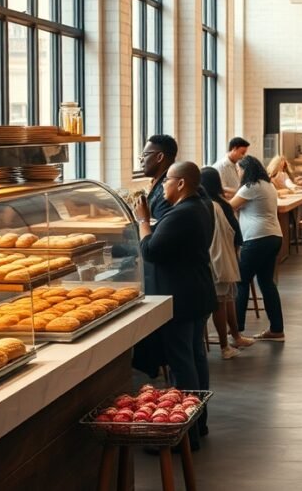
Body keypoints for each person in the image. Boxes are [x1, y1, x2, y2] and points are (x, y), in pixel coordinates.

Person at [132, 161, 216, 449]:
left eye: (167, 180)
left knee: (182, 363)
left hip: (180, 296)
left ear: (180, 183)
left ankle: (185, 434)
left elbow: (150, 251)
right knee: (195, 357)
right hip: (198, 291)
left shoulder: (181, 214)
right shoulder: (201, 206)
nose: (163, 185)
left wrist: (143, 220)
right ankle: (197, 422)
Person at [200, 168, 255, 359]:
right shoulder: (221, 202)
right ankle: (233, 338)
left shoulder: (210, 205)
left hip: (219, 258)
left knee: (222, 301)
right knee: (226, 299)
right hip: (228, 255)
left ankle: (226, 344)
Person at [231, 155, 286, 341]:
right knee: (266, 283)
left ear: (246, 169)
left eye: (239, 170)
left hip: (257, 239)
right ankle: (277, 329)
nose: (238, 173)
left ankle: (237, 331)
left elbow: (230, 206)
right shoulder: (267, 185)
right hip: (273, 237)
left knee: (241, 281)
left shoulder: (251, 186)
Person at [140, 134, 178, 222]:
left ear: (160, 157)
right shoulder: (159, 182)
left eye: (145, 155)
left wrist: (142, 219)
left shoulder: (167, 190)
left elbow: (159, 230)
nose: (141, 159)